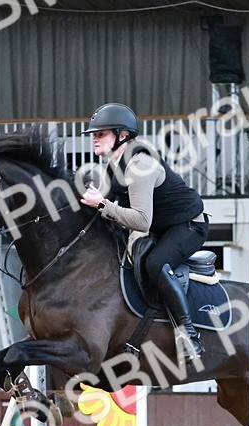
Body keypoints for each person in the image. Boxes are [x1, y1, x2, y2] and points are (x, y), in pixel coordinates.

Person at [79, 103, 207, 358]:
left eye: (101, 133)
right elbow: (106, 210)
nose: (95, 138)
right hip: (163, 227)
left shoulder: (139, 166)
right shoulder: (114, 166)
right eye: (94, 134)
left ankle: (189, 336)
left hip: (189, 226)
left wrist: (103, 204)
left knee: (155, 263)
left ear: (122, 135)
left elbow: (140, 221)